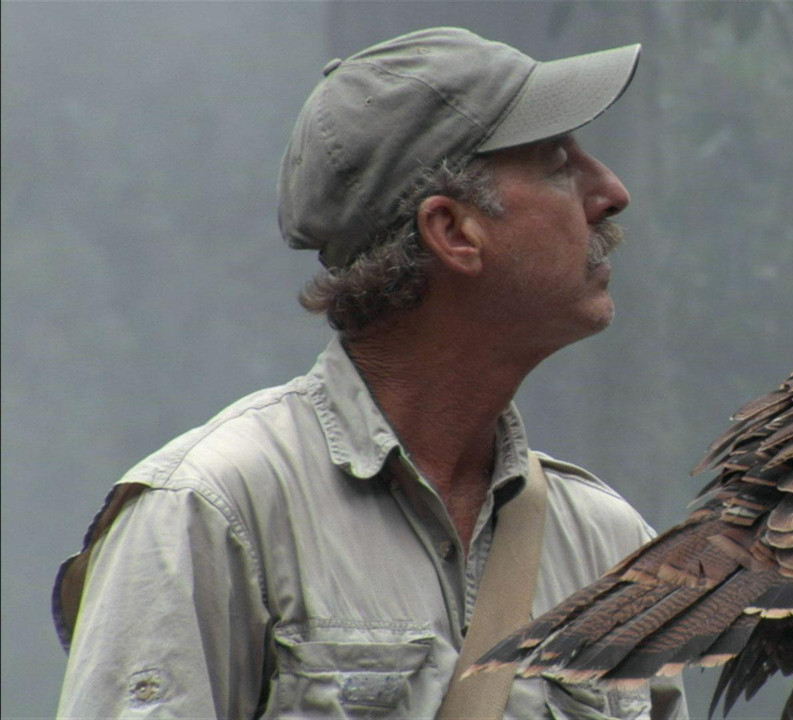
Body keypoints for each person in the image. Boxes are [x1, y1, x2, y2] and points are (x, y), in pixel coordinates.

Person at [53, 27, 688, 719]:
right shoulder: (214, 514)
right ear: (452, 231)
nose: (611, 192)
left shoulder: (609, 544)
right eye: (557, 163)